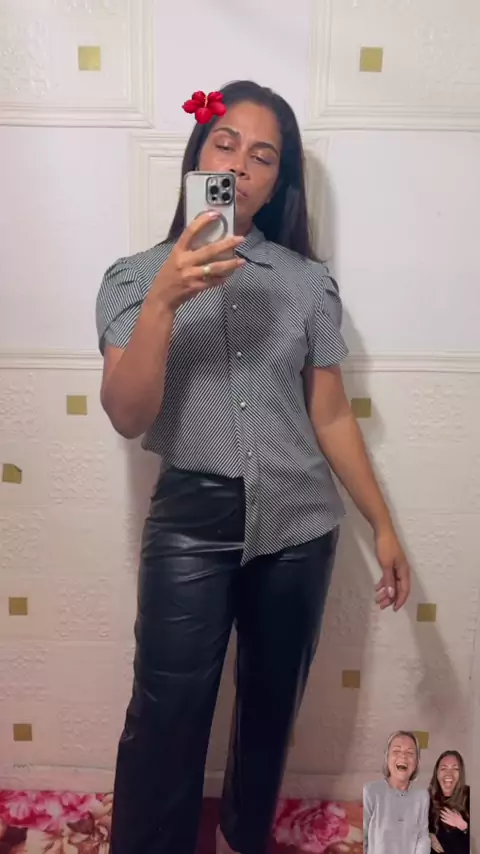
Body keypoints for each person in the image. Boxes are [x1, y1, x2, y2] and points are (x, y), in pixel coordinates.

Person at [96, 79, 411, 854]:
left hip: (300, 526)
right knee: (166, 714)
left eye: (263, 156)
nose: (240, 165)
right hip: (191, 521)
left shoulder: (306, 284)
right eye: (225, 143)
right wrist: (166, 301)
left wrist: (383, 524)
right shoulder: (135, 278)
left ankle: (244, 839)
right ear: (198, 157)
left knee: (271, 712)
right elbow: (127, 414)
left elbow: (329, 415)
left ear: (276, 183)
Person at [363, 731, 430, 854]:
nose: (403, 756)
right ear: (387, 758)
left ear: (416, 762)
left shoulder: (422, 796)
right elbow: (363, 840)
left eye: (410, 753)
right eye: (396, 751)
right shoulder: (370, 792)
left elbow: (423, 837)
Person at [428, 751, 470, 854]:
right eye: (443, 768)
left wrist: (464, 827)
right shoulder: (427, 799)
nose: (449, 773)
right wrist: (427, 837)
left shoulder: (470, 797)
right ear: (437, 773)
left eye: (455, 769)